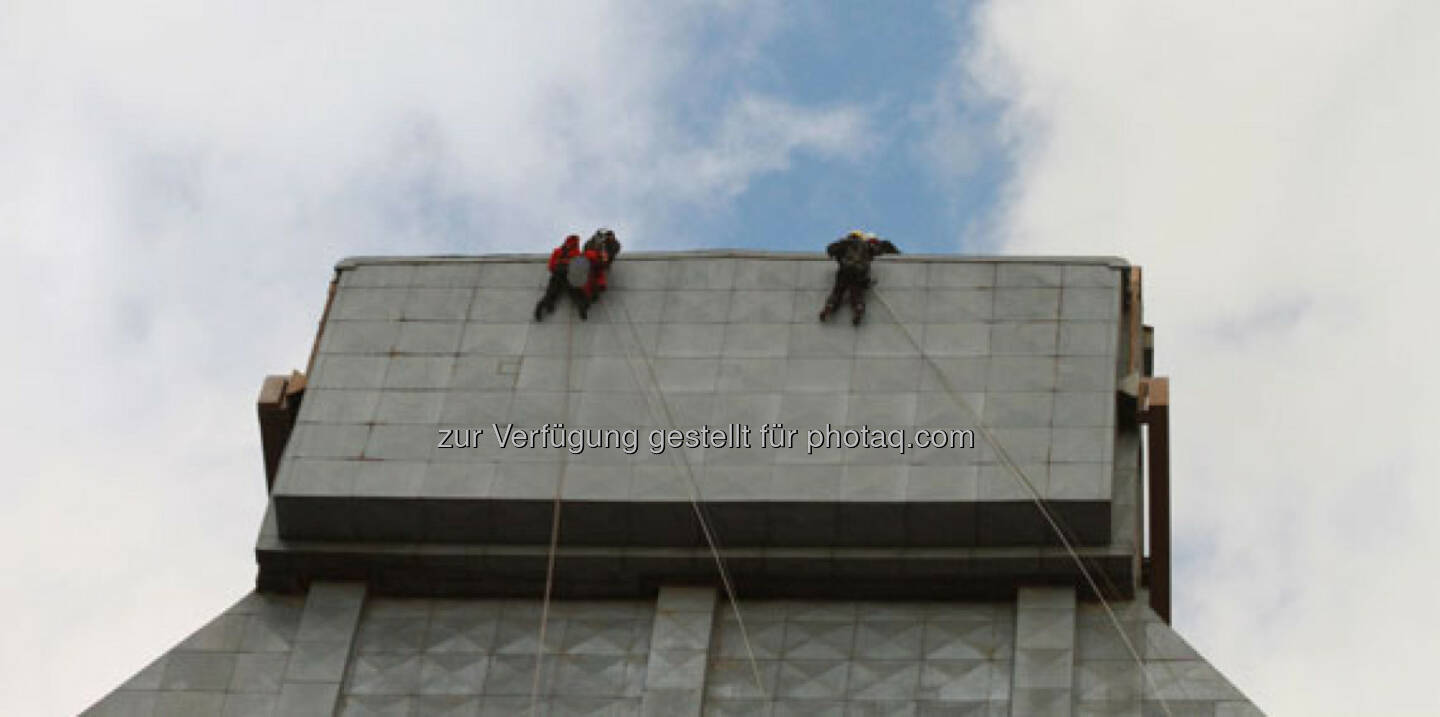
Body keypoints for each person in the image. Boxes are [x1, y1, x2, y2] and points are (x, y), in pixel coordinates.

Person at [819, 230, 901, 325]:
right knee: (856, 292)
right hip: (860, 271)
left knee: (838, 290)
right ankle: (858, 308)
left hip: (845, 269)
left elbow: (830, 249)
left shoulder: (844, 243)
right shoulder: (865, 245)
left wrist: (838, 256)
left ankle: (830, 306)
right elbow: (876, 251)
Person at [534, 235, 592, 321]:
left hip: (557, 274)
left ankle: (541, 310)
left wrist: (556, 269)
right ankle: (583, 309)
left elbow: (551, 265)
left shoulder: (558, 251)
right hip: (569, 275)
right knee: (577, 293)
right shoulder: (577, 253)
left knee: (551, 293)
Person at [582, 228, 622, 300]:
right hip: (592, 261)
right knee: (592, 276)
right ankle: (589, 293)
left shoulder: (610, 243)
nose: (603, 237)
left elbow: (614, 250)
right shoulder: (591, 242)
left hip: (601, 262)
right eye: (600, 235)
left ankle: (594, 291)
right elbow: (585, 250)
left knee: (597, 275)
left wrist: (611, 240)